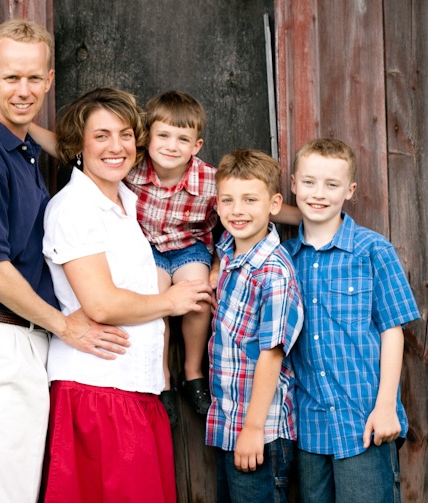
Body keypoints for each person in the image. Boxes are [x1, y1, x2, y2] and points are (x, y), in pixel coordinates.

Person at [0, 20, 129, 503]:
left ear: (48, 80)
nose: (24, 90)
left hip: (14, 342)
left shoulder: (17, 150)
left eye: (34, 78)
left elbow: (75, 150)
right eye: (12, 77)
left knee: (10, 491)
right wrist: (66, 326)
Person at [32, 90, 302, 425]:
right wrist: (27, 127)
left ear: (196, 145)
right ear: (148, 140)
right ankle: (163, 379)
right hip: (152, 250)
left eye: (182, 139)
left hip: (190, 248)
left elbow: (254, 201)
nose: (172, 146)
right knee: (154, 299)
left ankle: (192, 372)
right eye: (163, 136)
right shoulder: (131, 168)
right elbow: (69, 145)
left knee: (200, 297)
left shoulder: (208, 179)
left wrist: (309, 215)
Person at [40, 87, 213, 503]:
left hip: (136, 388)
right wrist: (171, 301)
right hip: (98, 389)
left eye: (125, 134)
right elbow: (102, 304)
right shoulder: (75, 208)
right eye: (101, 136)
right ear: (77, 145)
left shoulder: (125, 204)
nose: (116, 147)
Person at [282, 138, 420, 502]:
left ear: (350, 190)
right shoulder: (284, 259)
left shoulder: (372, 249)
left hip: (364, 421)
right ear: (293, 184)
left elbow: (393, 329)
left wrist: (386, 405)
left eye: (332, 184)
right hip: (310, 426)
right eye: (308, 182)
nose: (318, 193)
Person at [206, 148, 304, 503]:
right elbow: (222, 248)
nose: (237, 210)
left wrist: (253, 428)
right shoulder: (229, 250)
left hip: (261, 429)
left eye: (250, 199)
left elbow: (271, 355)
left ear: (274, 204)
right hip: (229, 424)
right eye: (228, 200)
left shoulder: (273, 272)